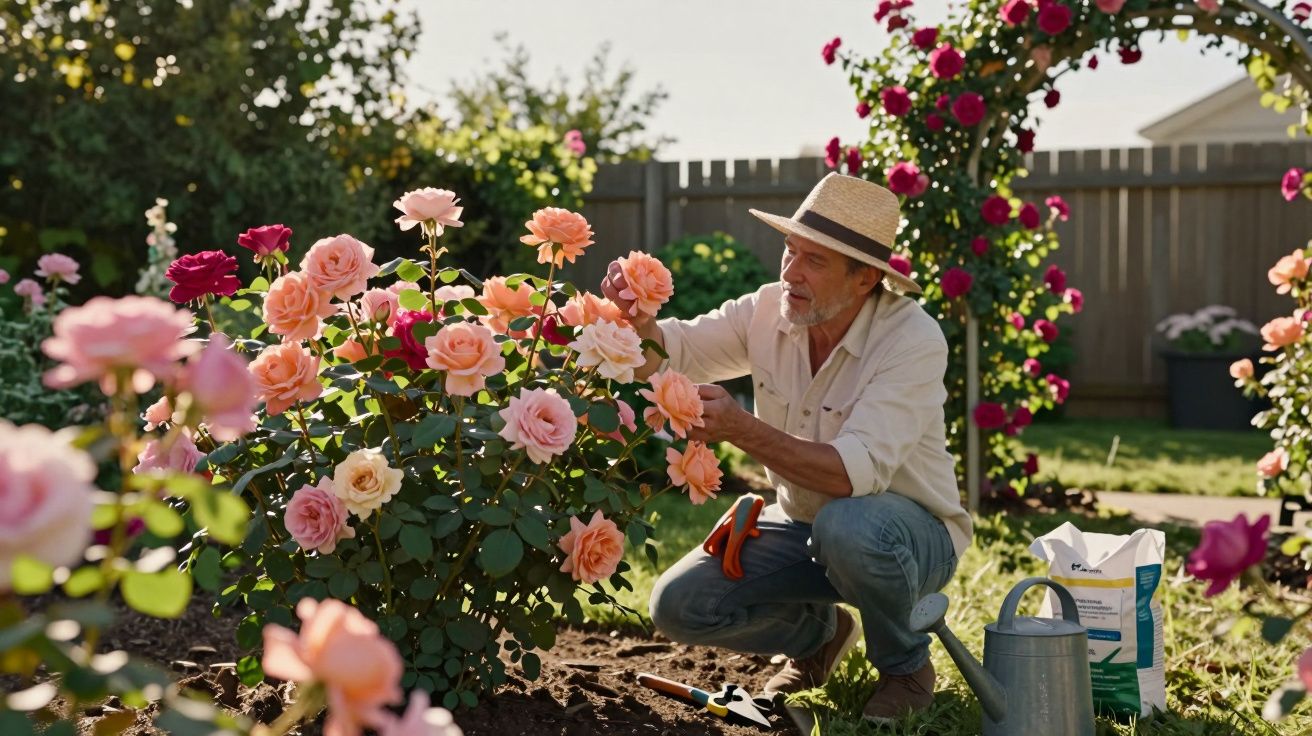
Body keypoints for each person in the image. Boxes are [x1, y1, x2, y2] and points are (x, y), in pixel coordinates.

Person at [600, 173, 972, 722]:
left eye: (814, 260)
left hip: (912, 539)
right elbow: (673, 351)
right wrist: (637, 322)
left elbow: (850, 476)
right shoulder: (767, 309)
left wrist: (743, 429)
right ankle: (819, 637)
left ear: (866, 278)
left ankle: (906, 668)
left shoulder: (911, 339)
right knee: (678, 605)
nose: (791, 271)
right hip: (807, 524)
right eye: (790, 250)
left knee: (849, 525)